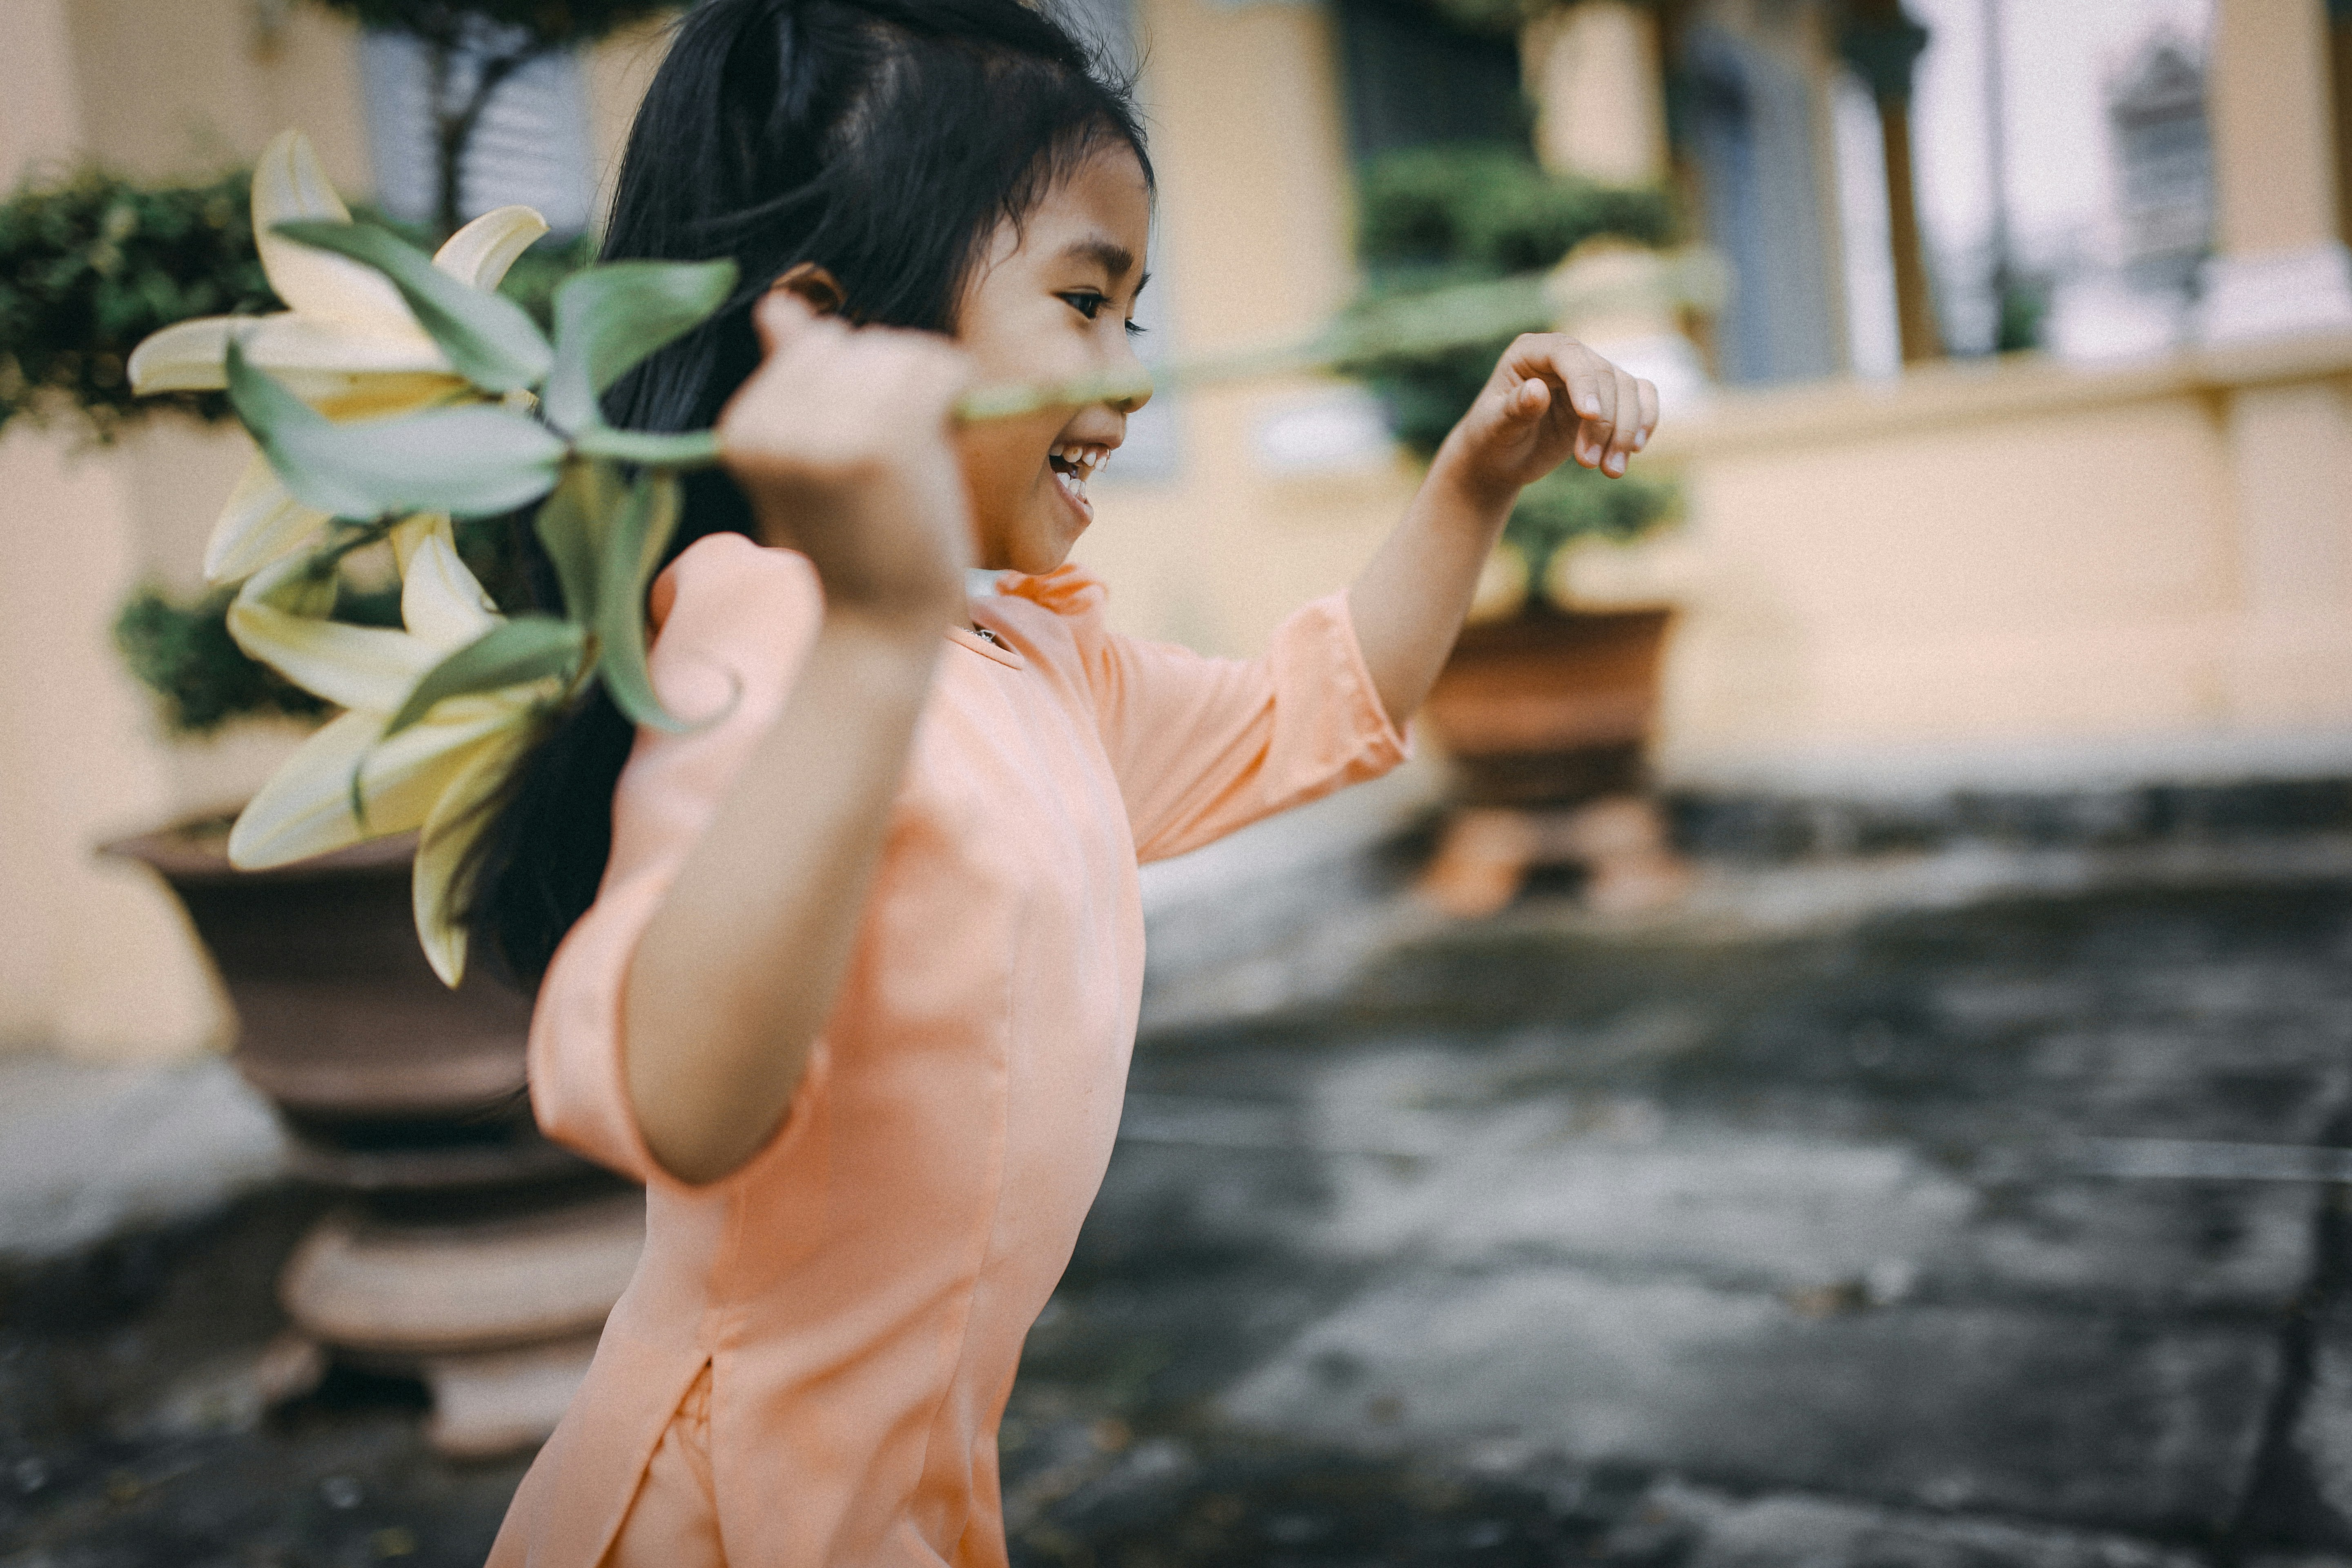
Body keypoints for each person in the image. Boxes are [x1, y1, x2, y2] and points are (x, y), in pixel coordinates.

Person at [472, 0, 1658, 1562]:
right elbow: (681, 1099)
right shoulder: (768, 622)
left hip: (907, 1491)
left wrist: (1472, 480)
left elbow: (1322, 705)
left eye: (1137, 317)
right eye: (1085, 303)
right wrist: (877, 625)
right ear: (828, 333)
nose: (1133, 376)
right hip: (729, 1508)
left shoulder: (1024, 658)